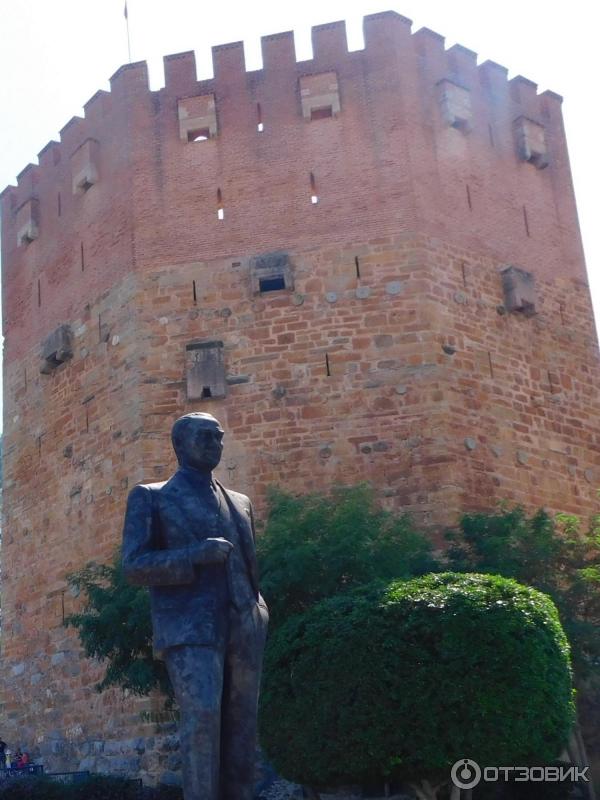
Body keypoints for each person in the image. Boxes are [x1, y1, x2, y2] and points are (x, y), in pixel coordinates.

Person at [122, 412, 268, 800]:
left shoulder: (241, 503)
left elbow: (249, 566)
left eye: (218, 437)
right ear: (180, 445)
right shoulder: (151, 497)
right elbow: (134, 566)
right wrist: (193, 555)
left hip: (245, 620)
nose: (214, 444)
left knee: (242, 725)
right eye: (205, 437)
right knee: (202, 714)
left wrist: (258, 609)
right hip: (189, 624)